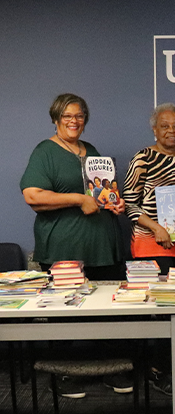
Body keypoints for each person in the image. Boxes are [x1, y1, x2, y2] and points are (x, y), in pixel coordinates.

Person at [20, 93, 130, 398]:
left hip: (103, 246)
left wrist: (114, 202)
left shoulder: (90, 150)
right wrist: (78, 199)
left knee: (110, 311)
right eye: (67, 116)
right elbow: (33, 196)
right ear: (56, 119)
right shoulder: (45, 152)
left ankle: (112, 369)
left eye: (79, 116)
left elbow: (101, 192)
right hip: (63, 249)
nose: (74, 121)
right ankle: (65, 373)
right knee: (68, 314)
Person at [122, 102, 175, 395]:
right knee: (154, 311)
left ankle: (171, 365)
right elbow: (129, 203)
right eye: (165, 126)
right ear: (154, 129)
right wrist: (157, 228)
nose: (171, 131)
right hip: (149, 245)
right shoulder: (143, 158)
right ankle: (156, 369)